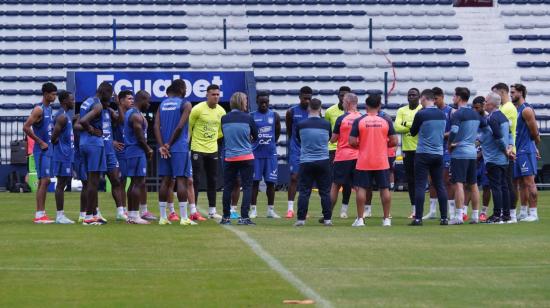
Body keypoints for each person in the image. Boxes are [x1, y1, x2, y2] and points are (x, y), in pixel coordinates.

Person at [350, 94, 398, 227]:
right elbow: (394, 141)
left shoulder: (359, 120)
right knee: (385, 189)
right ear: (379, 106)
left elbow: (352, 141)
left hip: (364, 160)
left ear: (366, 106)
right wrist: (382, 145)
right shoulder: (385, 120)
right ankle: (386, 219)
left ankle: (360, 219)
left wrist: (363, 145)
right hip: (381, 160)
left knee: (361, 189)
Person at [154, 83, 197, 226]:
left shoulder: (162, 105)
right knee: (181, 180)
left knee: (165, 181)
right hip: (178, 147)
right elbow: (179, 127)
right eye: (185, 88)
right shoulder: (186, 104)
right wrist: (169, 144)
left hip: (164, 148)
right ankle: (184, 218)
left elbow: (156, 126)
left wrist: (162, 145)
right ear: (180, 90)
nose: (186, 91)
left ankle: (162, 217)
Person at [408, 89, 448, 226]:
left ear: (424, 99)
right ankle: (444, 218)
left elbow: (413, 132)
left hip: (423, 153)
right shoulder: (442, 114)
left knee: (420, 185)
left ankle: (418, 218)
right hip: (438, 153)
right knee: (440, 185)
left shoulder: (421, 114)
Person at [448, 87, 486, 225]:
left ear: (458, 97)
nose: (453, 98)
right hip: (472, 152)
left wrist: (450, 143)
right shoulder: (476, 114)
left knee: (459, 184)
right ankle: (475, 215)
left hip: (460, 153)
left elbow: (454, 130)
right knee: (473, 184)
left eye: (454, 96)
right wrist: (477, 141)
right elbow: (487, 130)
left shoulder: (457, 114)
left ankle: (459, 216)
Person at [219, 92, 258, 225]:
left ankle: (225, 217)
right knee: (247, 187)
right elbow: (256, 136)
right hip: (246, 156)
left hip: (230, 157)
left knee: (228, 187)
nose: (247, 103)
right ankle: (244, 217)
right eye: (246, 101)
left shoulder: (224, 118)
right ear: (242, 102)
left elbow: (225, 135)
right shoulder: (248, 118)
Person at [188, 84, 226, 220]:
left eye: (217, 94)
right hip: (197, 148)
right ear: (207, 95)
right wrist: (190, 144)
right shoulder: (197, 109)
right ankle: (194, 211)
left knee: (213, 180)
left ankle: (212, 211)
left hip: (212, 150)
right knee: (196, 180)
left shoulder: (221, 112)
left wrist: (211, 140)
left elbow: (221, 132)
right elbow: (189, 127)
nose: (216, 97)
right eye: (213, 94)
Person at [293, 98, 332, 227]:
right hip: (323, 161)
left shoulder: (301, 124)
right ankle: (327, 219)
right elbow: (329, 138)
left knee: (304, 192)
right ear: (320, 109)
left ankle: (301, 220)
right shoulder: (326, 124)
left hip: (306, 161)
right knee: (325, 192)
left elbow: (298, 139)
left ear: (309, 108)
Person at [78, 82, 111, 225]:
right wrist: (92, 130)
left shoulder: (86, 102)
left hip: (84, 143)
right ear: (104, 92)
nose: (110, 99)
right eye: (109, 95)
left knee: (90, 182)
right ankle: (89, 217)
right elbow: (83, 121)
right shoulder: (98, 105)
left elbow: (79, 121)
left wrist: (88, 130)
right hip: (94, 144)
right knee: (93, 182)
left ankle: (93, 214)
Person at [23, 82, 57, 224]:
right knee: (44, 180)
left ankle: (41, 213)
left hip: (48, 149)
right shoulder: (39, 109)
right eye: (53, 94)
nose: (55, 97)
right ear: (46, 94)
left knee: (46, 180)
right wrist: (40, 142)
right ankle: (39, 214)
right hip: (41, 150)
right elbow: (26, 127)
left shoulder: (49, 109)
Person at [479, 92, 514, 224]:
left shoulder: (491, 118)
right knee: (504, 186)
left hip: (494, 158)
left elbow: (498, 137)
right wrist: (510, 148)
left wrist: (505, 151)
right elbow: (510, 134)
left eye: (486, 101)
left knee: (496, 187)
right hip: (503, 159)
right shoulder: (503, 117)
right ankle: (506, 215)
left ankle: (496, 215)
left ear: (491, 104)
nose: (484, 104)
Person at [328, 93, 362, 224]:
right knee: (359, 187)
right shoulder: (362, 118)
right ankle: (360, 218)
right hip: (359, 157)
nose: (341, 104)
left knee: (336, 185)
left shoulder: (341, 118)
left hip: (342, 156)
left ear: (347, 103)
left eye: (343, 102)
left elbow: (333, 139)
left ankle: (328, 216)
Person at [423, 87, 454, 220]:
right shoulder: (430, 112)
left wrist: (441, 135)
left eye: (436, 98)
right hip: (433, 149)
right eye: (433, 99)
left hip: (447, 150)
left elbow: (455, 130)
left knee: (446, 181)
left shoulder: (451, 111)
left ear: (442, 97)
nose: (434, 101)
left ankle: (451, 211)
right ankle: (432, 211)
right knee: (432, 181)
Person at [511, 84, 540, 222]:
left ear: (521, 93)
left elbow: (535, 132)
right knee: (521, 183)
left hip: (525, 151)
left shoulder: (526, 110)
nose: (511, 94)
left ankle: (533, 213)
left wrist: (534, 147)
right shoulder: (515, 109)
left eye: (513, 92)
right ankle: (523, 212)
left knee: (529, 182)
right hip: (517, 150)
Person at [250, 92, 281, 219]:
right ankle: (253, 210)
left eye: (266, 102)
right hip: (256, 154)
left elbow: (277, 132)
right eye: (261, 102)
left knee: (270, 183)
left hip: (270, 154)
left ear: (269, 102)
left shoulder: (274, 115)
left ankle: (270, 210)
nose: (264, 104)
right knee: (254, 183)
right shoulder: (251, 116)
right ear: (257, 102)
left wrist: (270, 143)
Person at [124, 90, 153, 224]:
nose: (149, 104)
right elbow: (140, 137)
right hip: (136, 150)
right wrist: (148, 149)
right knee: (138, 182)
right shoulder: (135, 115)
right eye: (148, 101)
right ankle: (135, 216)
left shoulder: (132, 113)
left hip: (132, 151)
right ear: (142, 99)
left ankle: (131, 215)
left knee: (134, 183)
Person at [325, 86, 352, 218]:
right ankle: (328, 211)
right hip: (333, 150)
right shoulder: (330, 111)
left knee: (348, 183)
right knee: (334, 181)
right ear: (338, 96)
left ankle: (344, 209)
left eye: (345, 95)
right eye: (341, 95)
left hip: (349, 151)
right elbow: (327, 131)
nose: (343, 98)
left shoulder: (354, 114)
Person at [394, 88, 422, 218]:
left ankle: (426, 209)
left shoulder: (422, 109)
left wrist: (406, 124)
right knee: (410, 180)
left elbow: (422, 126)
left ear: (419, 97)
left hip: (420, 149)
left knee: (421, 180)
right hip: (407, 150)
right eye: (409, 95)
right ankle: (414, 209)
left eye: (414, 95)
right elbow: (396, 127)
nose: (411, 97)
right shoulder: (401, 110)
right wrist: (413, 125)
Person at [285, 86, 313, 219]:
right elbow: (290, 131)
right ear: (300, 97)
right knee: (294, 177)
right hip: (296, 149)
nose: (307, 101)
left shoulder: (314, 112)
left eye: (309, 98)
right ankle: (290, 209)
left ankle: (303, 209)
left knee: (306, 180)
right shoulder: (291, 112)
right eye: (305, 98)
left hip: (309, 149)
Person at [492, 82, 518, 222]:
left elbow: (504, 131)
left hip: (507, 150)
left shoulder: (508, 108)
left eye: (496, 94)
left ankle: (511, 214)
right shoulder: (503, 107)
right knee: (504, 183)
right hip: (504, 149)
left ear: (502, 92)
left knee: (507, 184)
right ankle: (505, 212)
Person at [99, 90, 126, 222]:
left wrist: (118, 105)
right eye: (107, 100)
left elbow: (121, 120)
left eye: (110, 100)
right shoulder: (95, 109)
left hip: (109, 151)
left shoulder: (109, 111)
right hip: (97, 149)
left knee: (116, 180)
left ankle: (120, 212)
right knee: (95, 182)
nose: (108, 102)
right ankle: (94, 211)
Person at [50, 90, 75, 224]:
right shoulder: (62, 117)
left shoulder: (66, 115)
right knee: (61, 184)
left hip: (66, 154)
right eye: (71, 99)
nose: (73, 101)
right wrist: (61, 148)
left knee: (63, 183)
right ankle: (60, 216)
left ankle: (61, 215)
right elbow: (53, 137)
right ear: (64, 101)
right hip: (62, 155)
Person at [112, 90, 134, 220]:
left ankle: (124, 210)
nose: (132, 101)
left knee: (124, 181)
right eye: (129, 99)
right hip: (118, 152)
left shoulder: (132, 114)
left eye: (132, 99)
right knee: (119, 181)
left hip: (127, 151)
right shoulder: (115, 114)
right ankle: (120, 210)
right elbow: (107, 129)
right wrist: (112, 141)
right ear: (121, 101)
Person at [472, 96, 492, 222]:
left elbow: (489, 140)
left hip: (485, 157)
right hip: (471, 155)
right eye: (473, 107)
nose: (475, 110)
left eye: (477, 107)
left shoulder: (488, 118)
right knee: (469, 185)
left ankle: (483, 212)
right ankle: (464, 211)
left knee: (486, 186)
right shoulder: (472, 118)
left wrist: (479, 155)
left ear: (482, 106)